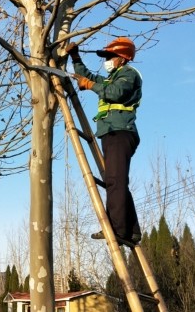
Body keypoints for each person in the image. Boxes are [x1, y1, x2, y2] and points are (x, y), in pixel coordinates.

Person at [64, 37, 143, 247]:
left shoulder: (128, 74)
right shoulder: (111, 78)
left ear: (122, 58)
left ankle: (118, 231)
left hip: (120, 132)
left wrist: (90, 86)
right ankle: (132, 231)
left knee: (115, 182)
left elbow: (116, 93)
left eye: (110, 56)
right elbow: (86, 76)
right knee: (116, 182)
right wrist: (75, 56)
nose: (107, 60)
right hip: (110, 133)